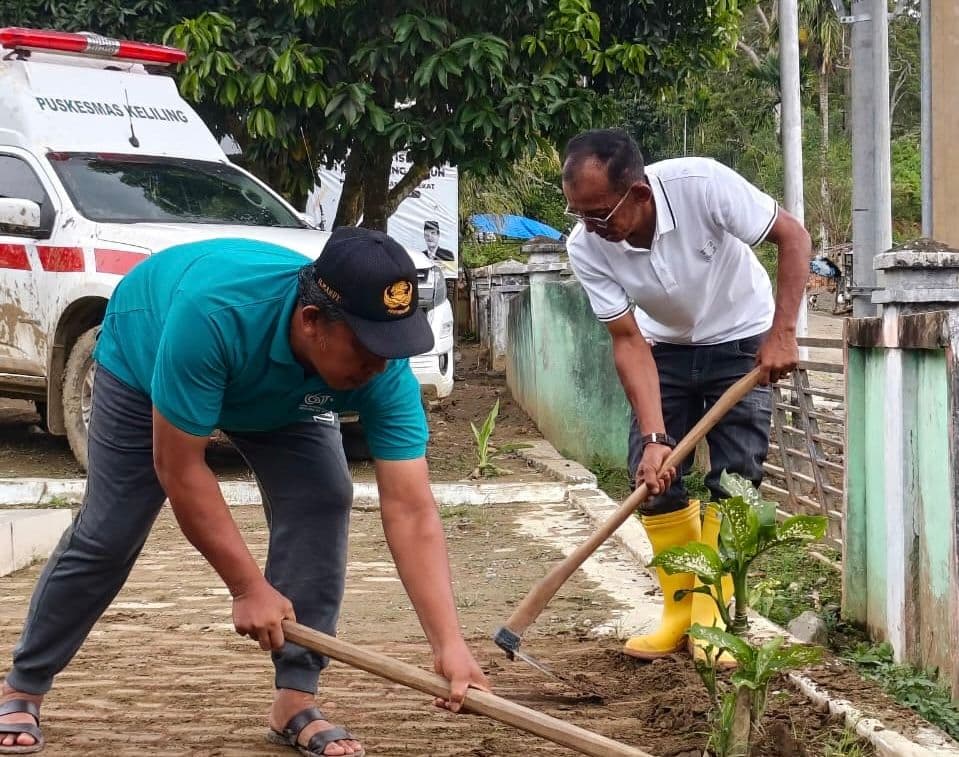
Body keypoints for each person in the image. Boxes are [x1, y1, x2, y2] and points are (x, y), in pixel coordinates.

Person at [0, 227, 489, 756]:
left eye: (393, 347)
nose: (381, 363)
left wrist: (449, 644)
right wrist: (247, 586)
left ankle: (295, 700)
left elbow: (411, 509)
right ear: (311, 322)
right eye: (369, 346)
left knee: (323, 495)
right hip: (149, 354)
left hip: (282, 396)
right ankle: (23, 684)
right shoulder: (214, 315)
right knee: (110, 530)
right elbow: (180, 468)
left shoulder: (379, 369)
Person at [561, 129, 810, 662]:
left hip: (742, 337)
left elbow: (793, 237)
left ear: (640, 194)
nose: (590, 228)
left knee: (735, 478)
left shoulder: (702, 184)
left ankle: (713, 616)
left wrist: (782, 333)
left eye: (600, 213)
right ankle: (680, 610)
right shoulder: (586, 245)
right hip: (664, 348)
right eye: (579, 214)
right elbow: (627, 340)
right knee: (653, 479)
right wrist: (654, 438)